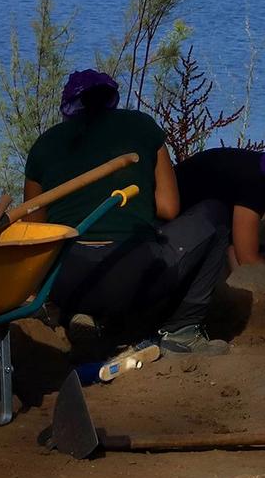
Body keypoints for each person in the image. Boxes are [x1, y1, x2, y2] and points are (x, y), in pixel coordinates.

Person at [22, 69, 232, 356]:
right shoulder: (142, 127)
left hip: (65, 281)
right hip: (131, 273)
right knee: (216, 215)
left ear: (68, 107)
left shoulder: (43, 145)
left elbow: (34, 232)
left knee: (59, 256)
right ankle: (181, 332)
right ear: (112, 99)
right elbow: (169, 209)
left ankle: (80, 313)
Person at [175, 144, 265, 268]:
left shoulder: (263, 172)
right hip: (169, 222)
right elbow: (248, 259)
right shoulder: (255, 184)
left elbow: (236, 246)